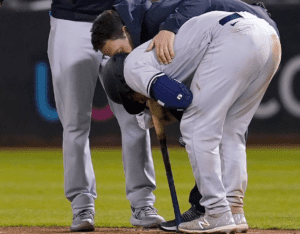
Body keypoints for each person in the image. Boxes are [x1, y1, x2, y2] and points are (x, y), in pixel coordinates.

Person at [91, 1, 280, 232]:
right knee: (231, 131)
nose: (121, 58)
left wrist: (161, 107)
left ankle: (217, 211)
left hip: (236, 38)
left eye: (119, 52)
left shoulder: (134, 62)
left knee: (196, 127)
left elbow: (182, 98)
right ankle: (234, 210)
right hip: (267, 38)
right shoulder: (152, 48)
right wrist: (158, 106)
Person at [47, 0, 168, 232]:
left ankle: (143, 203)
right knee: (74, 122)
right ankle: (81, 204)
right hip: (71, 22)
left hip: (121, 19)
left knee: (135, 117)